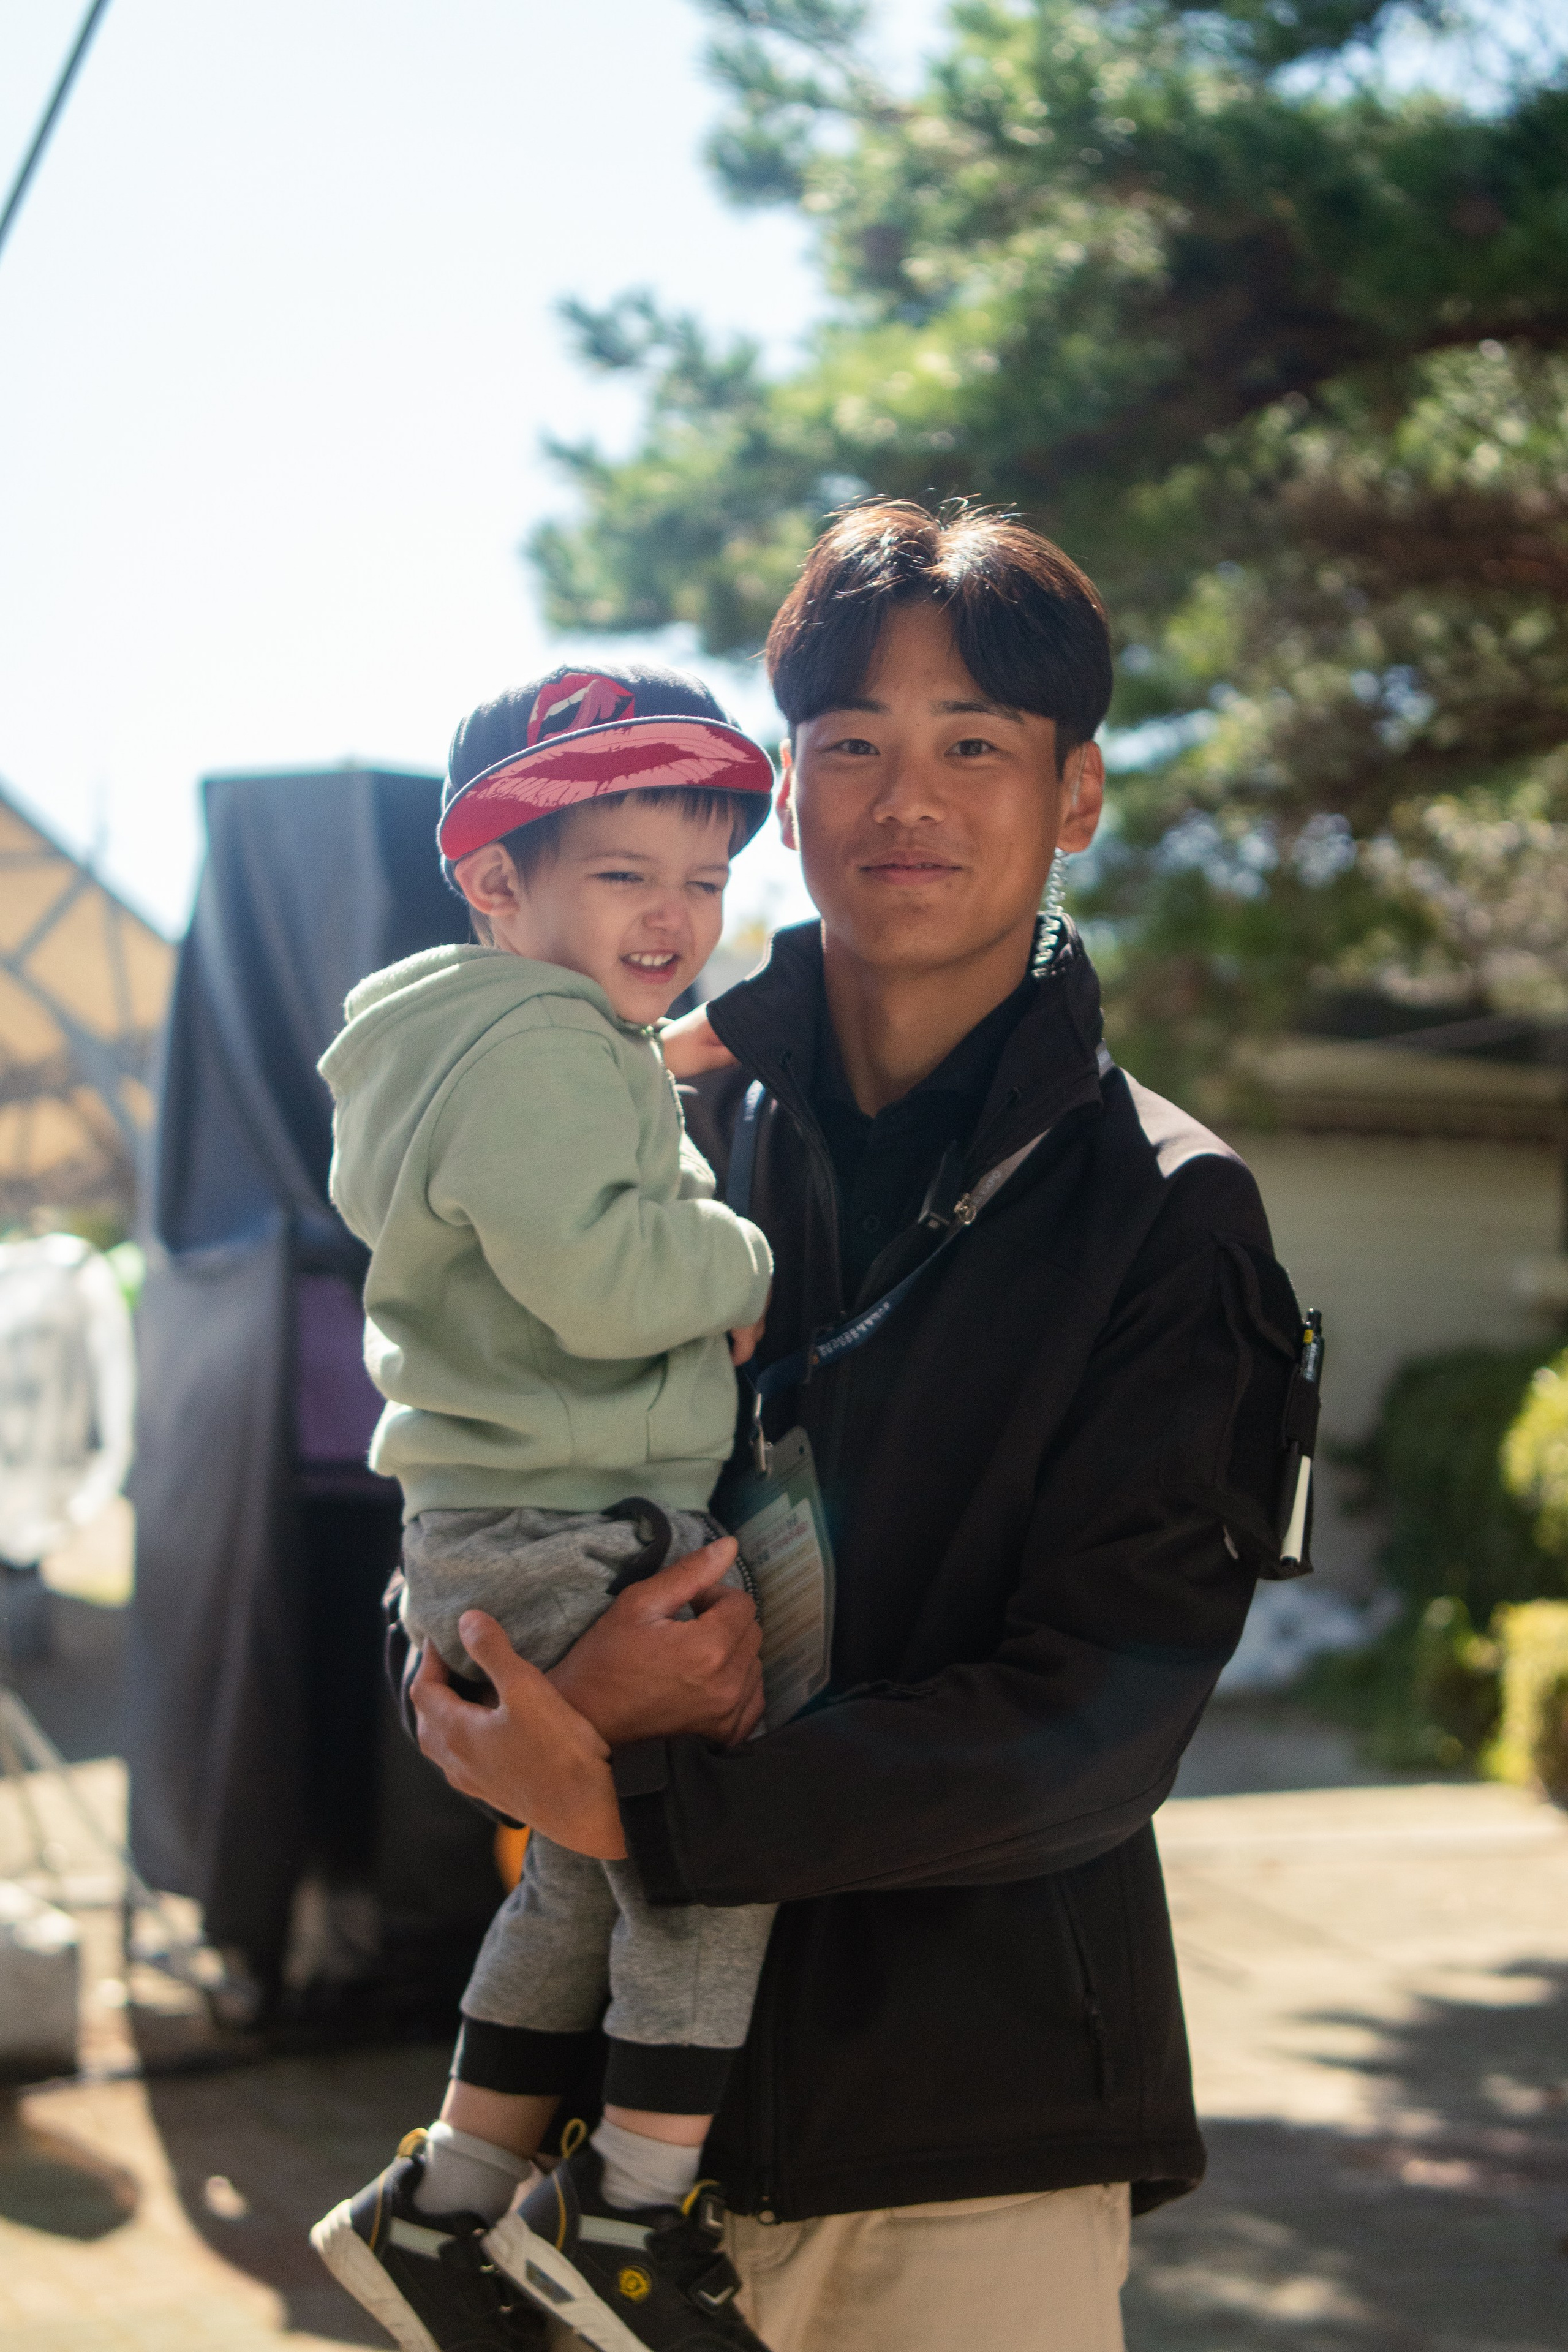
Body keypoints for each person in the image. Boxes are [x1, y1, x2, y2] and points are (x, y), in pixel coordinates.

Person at [407, 502, 1318, 2352]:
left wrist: (648, 1798)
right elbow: (462, 1458)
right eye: (851, 747)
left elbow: (1102, 1719)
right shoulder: (625, 1118)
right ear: (787, 796)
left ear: (1073, 797)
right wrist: (495, 1683)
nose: (909, 797)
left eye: (975, 743)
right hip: (588, 2182)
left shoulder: (1171, 1212)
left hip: (966, 2148)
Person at [309, 662, 794, 2352]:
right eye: (622, 875)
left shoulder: (474, 1035)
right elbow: (599, 1280)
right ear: (497, 880)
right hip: (565, 1526)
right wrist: (742, 1257)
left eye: (707, 880)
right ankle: (629, 2219)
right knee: (699, 1865)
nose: (675, 917)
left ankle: (444, 2203)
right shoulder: (538, 1045)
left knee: (581, 1881)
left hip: (495, 1523)